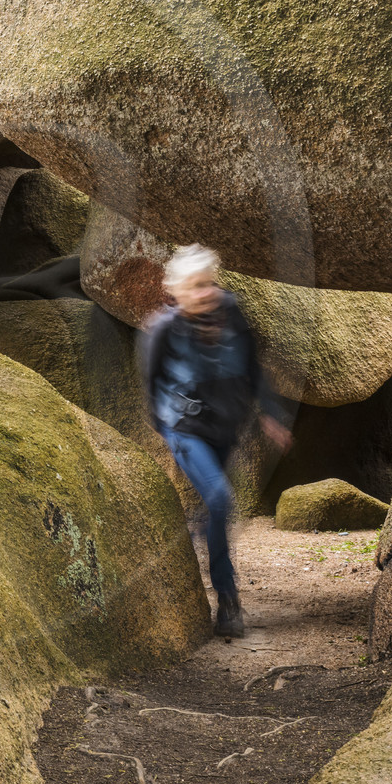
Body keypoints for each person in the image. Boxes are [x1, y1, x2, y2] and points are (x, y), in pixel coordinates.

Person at [137, 244, 292, 637]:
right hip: (186, 430)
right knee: (222, 500)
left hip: (226, 430)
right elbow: (153, 382)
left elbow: (255, 369)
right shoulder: (164, 329)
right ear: (177, 292)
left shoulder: (234, 315)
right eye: (194, 287)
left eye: (208, 284)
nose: (205, 293)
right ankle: (228, 600)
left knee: (216, 509)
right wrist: (168, 429)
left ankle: (201, 534)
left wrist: (271, 415)